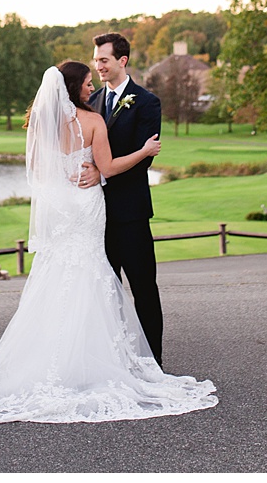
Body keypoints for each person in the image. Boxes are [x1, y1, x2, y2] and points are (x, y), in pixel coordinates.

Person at [0, 62, 216, 424]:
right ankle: (93, 364)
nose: (90, 86)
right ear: (73, 85)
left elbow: (37, 173)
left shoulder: (42, 123)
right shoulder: (92, 121)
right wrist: (145, 152)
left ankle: (53, 363)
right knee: (91, 274)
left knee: (59, 276)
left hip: (63, 207)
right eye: (86, 81)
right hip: (87, 205)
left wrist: (64, 186)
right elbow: (108, 169)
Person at [79, 31, 165, 364]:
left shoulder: (146, 102)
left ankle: (154, 362)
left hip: (131, 213)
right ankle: (116, 362)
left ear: (122, 61)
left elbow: (146, 157)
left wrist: (101, 172)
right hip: (97, 215)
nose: (98, 66)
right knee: (106, 292)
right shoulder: (93, 102)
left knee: (143, 289)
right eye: (96, 60)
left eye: (103, 60)